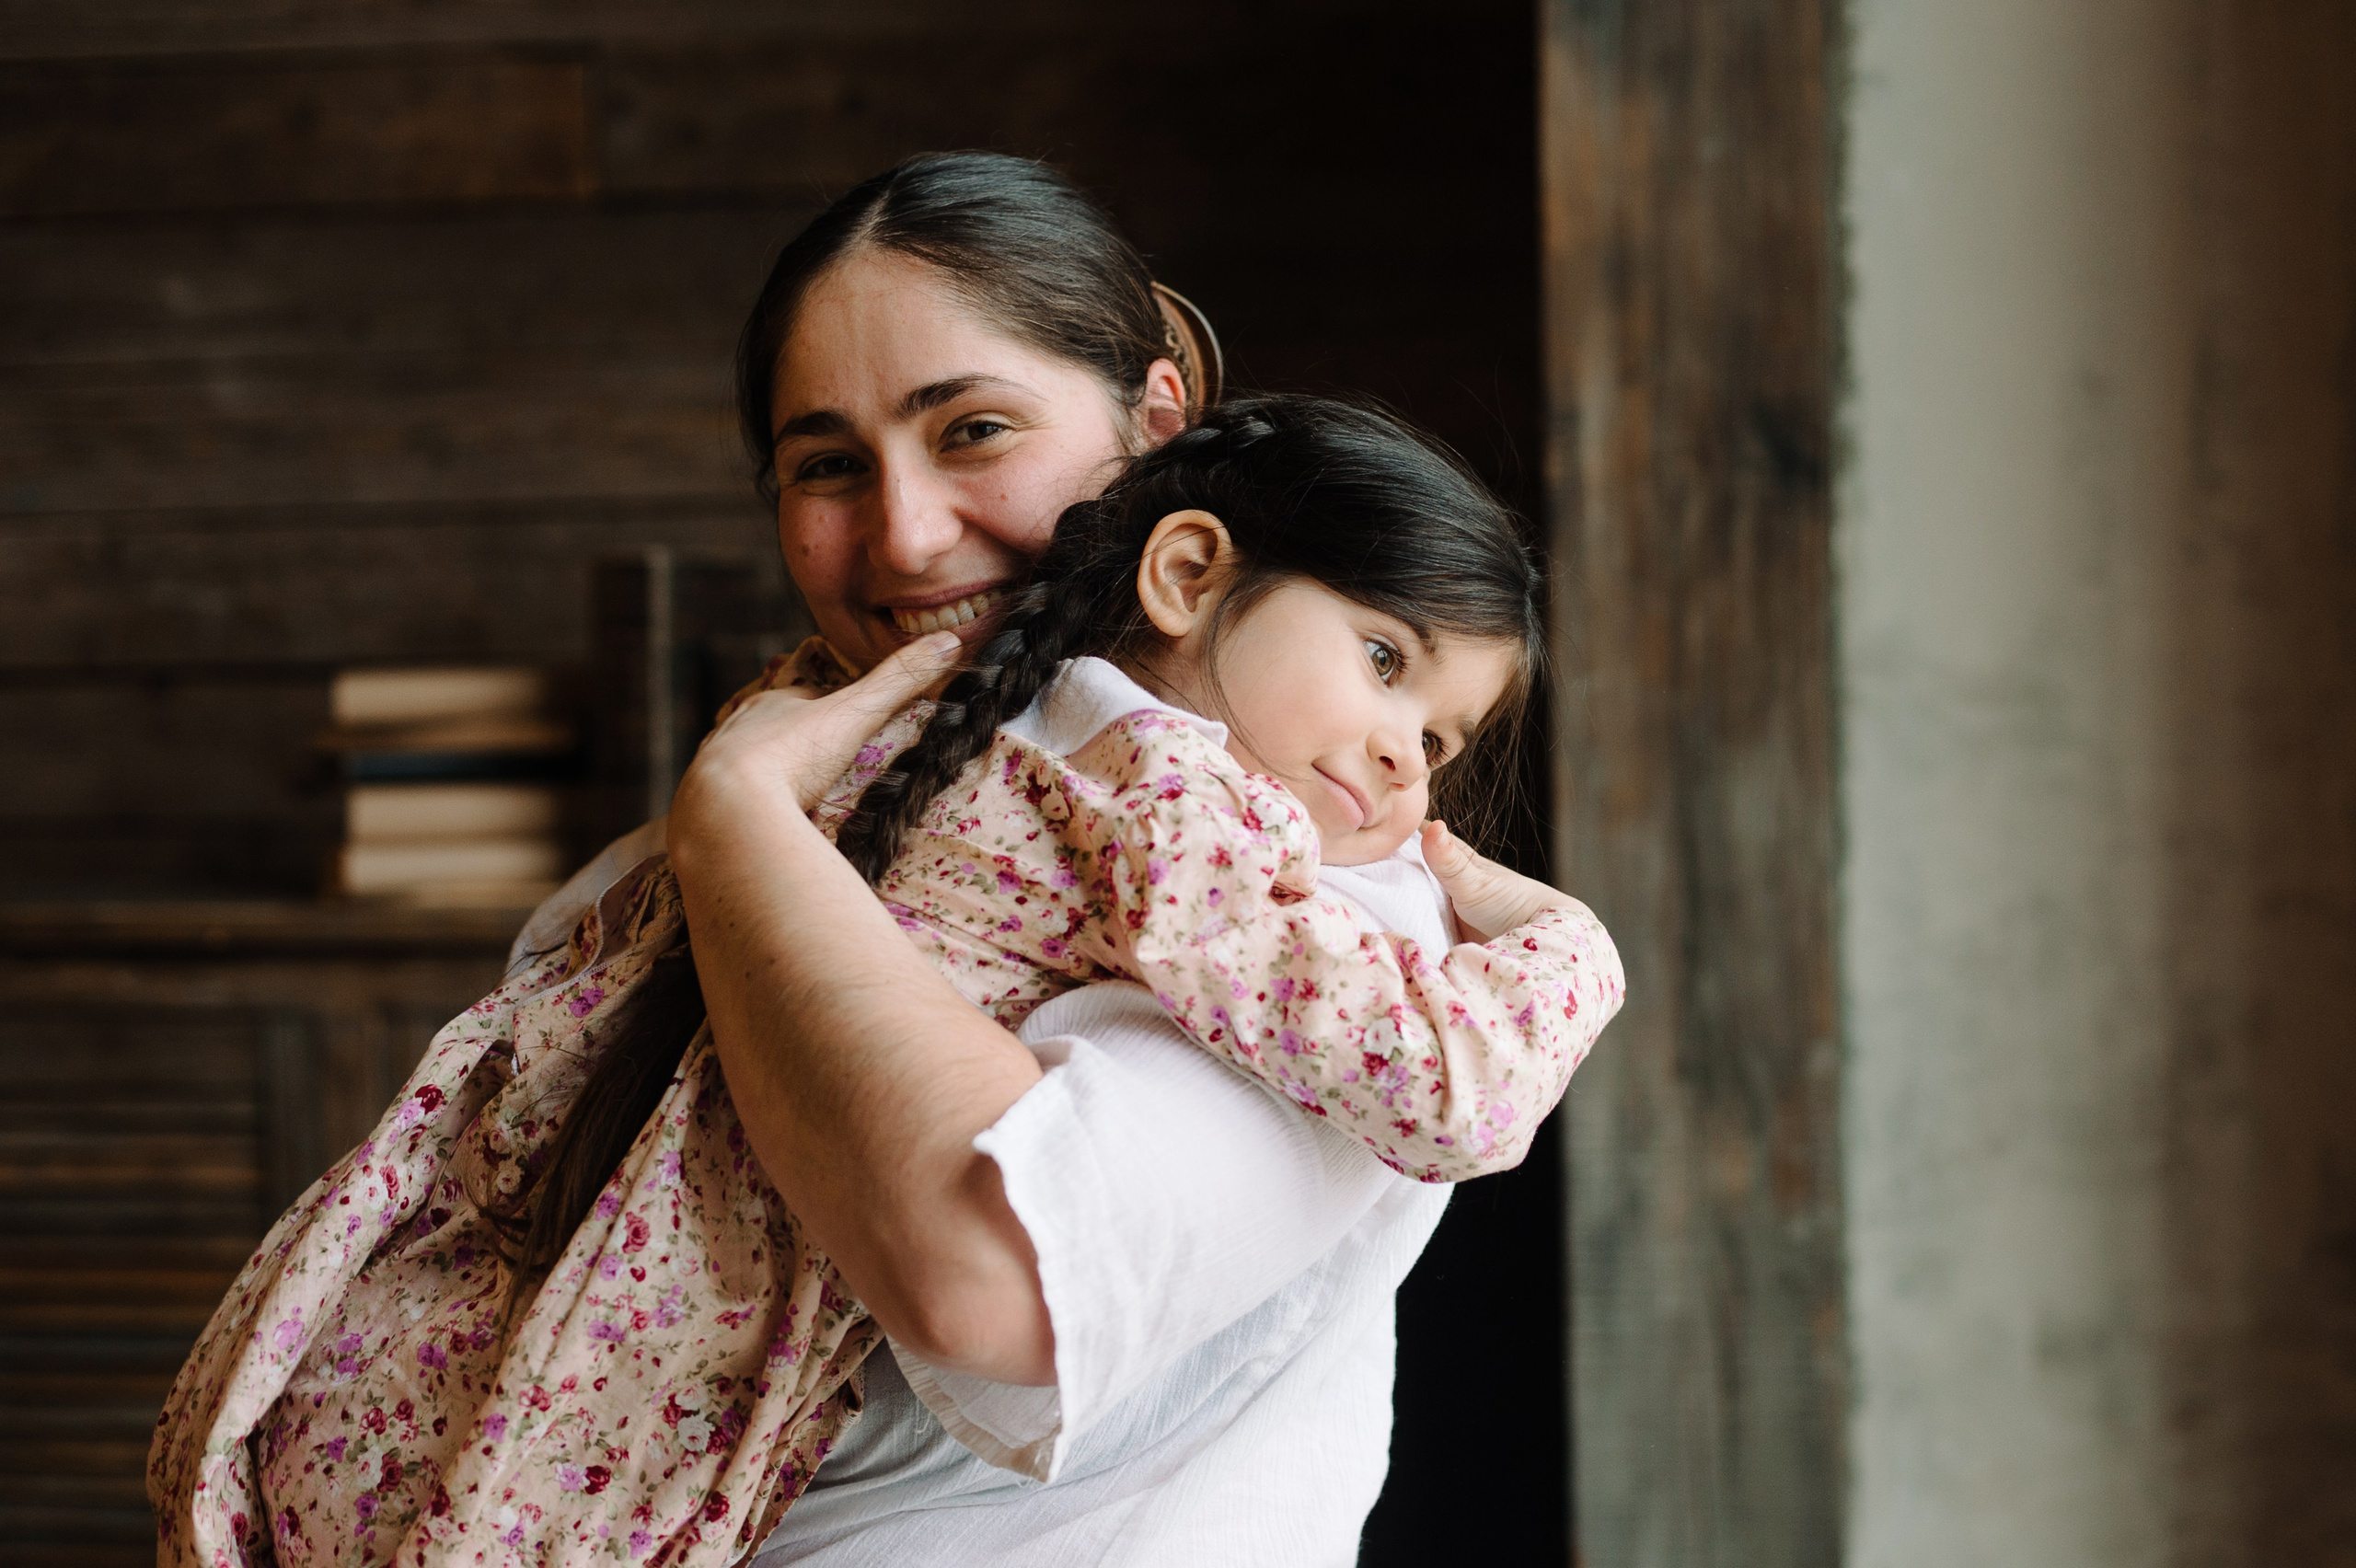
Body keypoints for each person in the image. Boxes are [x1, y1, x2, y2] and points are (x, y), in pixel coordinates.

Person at [149, 153, 1616, 1567]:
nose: (907, 534)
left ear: (1158, 427)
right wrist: (732, 823)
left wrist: (741, 823)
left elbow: (990, 1275)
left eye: (974, 428)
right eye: (828, 465)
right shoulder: (682, 863)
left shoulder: (1315, 886)